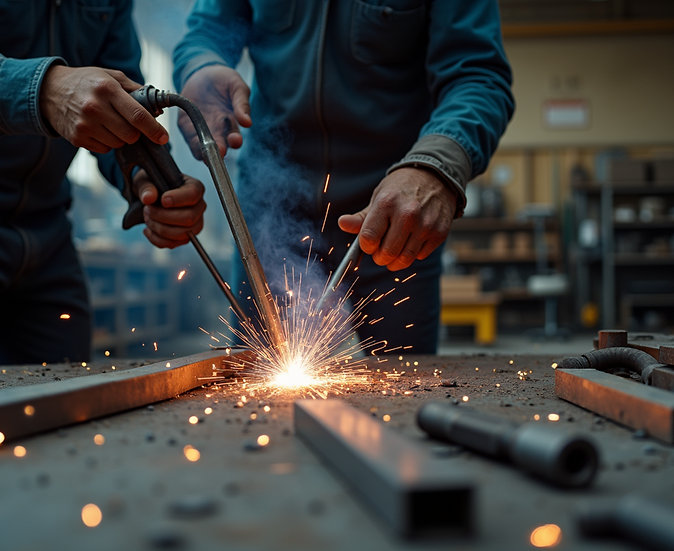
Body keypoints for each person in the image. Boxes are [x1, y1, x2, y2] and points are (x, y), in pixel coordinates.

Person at [0, 0, 207, 366]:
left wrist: (146, 179)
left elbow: (119, 99)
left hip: (46, 222)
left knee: (67, 388)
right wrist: (42, 90)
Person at [173, 0, 514, 353]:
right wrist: (201, 65)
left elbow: (478, 76)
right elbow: (207, 31)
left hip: (393, 213)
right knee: (258, 369)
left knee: (405, 375)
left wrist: (435, 163)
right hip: (272, 206)